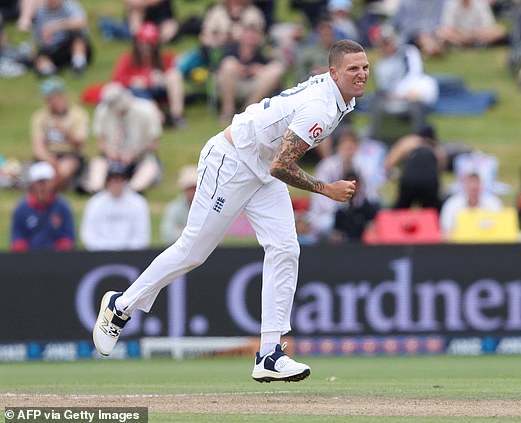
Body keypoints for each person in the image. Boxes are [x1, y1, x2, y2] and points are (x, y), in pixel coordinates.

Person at [93, 40, 369, 383]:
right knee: (193, 250)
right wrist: (325, 189)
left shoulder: (341, 98)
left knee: (285, 248)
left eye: (365, 67)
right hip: (233, 160)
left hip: (262, 165)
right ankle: (120, 306)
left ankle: (269, 354)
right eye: (352, 69)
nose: (361, 74)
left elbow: (277, 160)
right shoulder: (321, 107)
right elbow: (283, 166)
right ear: (333, 73)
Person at [85, 82, 162, 194]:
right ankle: (97, 189)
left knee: (150, 167)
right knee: (98, 163)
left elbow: (154, 143)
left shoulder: (146, 110)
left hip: (140, 156)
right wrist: (111, 152)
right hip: (112, 156)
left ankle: (133, 189)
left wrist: (133, 154)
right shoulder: (102, 111)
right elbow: (100, 139)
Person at [369, 24, 439, 139]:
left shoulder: (408, 51)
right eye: (384, 43)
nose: (387, 46)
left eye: (388, 42)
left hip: (413, 85)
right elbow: (384, 87)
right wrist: (398, 94)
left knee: (426, 85)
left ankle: (418, 129)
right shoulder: (380, 66)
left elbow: (416, 72)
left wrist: (406, 91)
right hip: (394, 94)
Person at [112, 21, 186, 128]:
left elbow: (173, 73)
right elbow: (117, 79)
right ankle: (160, 118)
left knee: (174, 76)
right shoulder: (128, 59)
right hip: (138, 93)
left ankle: (176, 116)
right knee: (137, 90)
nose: (146, 47)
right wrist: (136, 80)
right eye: (143, 43)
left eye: (150, 43)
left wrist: (162, 79)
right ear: (137, 43)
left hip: (158, 91)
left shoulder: (164, 59)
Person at [215, 13, 286, 122]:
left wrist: (259, 70)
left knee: (277, 69)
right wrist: (240, 69)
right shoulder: (230, 49)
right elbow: (220, 67)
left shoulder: (263, 53)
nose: (251, 37)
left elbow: (274, 71)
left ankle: (247, 112)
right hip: (233, 85)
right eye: (248, 33)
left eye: (254, 34)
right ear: (241, 35)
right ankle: (227, 111)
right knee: (229, 64)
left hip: (254, 87)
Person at [31, 77, 89, 190]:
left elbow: (80, 143)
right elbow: (38, 146)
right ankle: (48, 190)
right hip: (49, 155)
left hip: (70, 155)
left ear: (63, 96)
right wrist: (49, 159)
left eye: (55, 97)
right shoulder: (40, 117)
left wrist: (65, 131)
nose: (53, 101)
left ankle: (47, 191)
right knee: (43, 171)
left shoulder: (78, 115)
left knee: (64, 169)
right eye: (49, 98)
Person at [80, 161, 151, 251]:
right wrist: (106, 249)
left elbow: (141, 236)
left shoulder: (138, 203)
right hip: (100, 254)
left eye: (120, 179)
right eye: (113, 180)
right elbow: (89, 235)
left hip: (130, 254)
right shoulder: (95, 203)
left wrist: (126, 250)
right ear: (107, 181)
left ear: (125, 181)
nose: (116, 184)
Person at [10, 161, 75, 252]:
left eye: (46, 182)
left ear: (53, 183)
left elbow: (68, 238)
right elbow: (17, 238)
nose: (43, 187)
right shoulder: (22, 209)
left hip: (57, 260)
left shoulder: (62, 207)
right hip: (29, 260)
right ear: (32, 185)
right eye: (39, 183)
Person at [384, 124, 447, 210]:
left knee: (400, 211)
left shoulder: (409, 142)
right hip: (430, 182)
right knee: (431, 212)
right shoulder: (437, 148)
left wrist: (394, 176)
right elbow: (440, 170)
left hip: (409, 181)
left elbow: (388, 164)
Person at [31, 0, 91, 76]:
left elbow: (81, 22)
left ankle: (78, 64)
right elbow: (36, 37)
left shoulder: (70, 5)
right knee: (40, 55)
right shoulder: (39, 12)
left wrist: (56, 26)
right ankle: (49, 71)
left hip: (69, 44)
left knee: (78, 37)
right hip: (52, 48)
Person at [439, 170, 503, 238]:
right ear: (464, 185)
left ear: (482, 185)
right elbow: (446, 232)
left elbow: (501, 229)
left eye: (476, 185)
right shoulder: (452, 204)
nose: (474, 187)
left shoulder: (493, 203)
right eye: (471, 184)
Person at [437, 0, 508, 48]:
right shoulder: (451, 3)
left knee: (500, 30)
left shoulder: (480, 3)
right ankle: (471, 43)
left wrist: (473, 34)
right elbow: (447, 27)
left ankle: (467, 43)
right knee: (441, 32)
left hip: (477, 34)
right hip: (460, 35)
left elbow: (489, 26)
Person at [160, 164, 197, 244]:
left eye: (195, 188)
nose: (193, 192)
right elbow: (167, 234)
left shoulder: (207, 208)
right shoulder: (174, 207)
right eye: (190, 188)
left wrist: (182, 231)